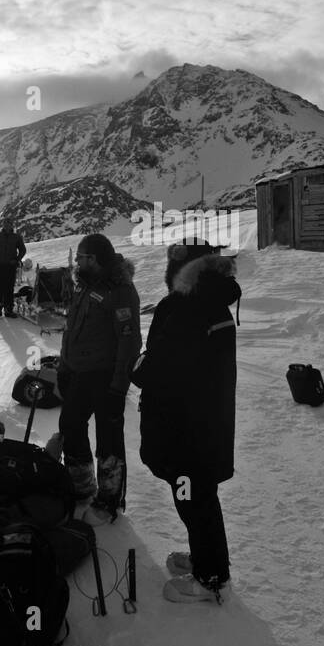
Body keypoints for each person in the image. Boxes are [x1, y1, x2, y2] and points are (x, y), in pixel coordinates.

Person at [132, 241, 240, 604]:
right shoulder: (206, 303)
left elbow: (165, 364)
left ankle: (212, 578)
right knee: (196, 496)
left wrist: (137, 370)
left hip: (188, 426)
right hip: (201, 421)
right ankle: (205, 557)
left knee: (195, 497)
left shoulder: (191, 307)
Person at [57, 234, 141, 524]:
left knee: (109, 438)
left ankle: (109, 501)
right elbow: (72, 329)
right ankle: (81, 486)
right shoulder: (86, 285)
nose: (77, 262)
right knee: (70, 424)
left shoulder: (119, 290)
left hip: (105, 376)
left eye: (81, 257)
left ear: (95, 259)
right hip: (79, 373)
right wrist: (65, 365)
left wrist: (119, 387)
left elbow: (129, 341)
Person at [0, 219, 26, 320]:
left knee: (9, 289)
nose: (7, 226)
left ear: (12, 225)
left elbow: (23, 250)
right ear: (3, 226)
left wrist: (17, 260)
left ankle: (9, 310)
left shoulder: (16, 237)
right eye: (5, 224)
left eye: (9, 224)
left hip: (10, 266)